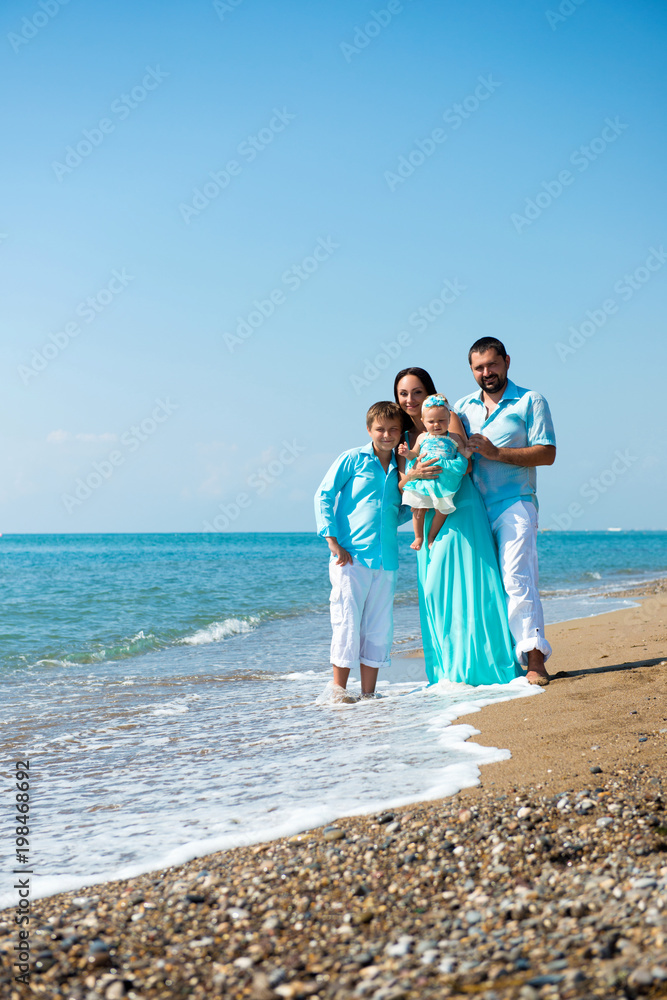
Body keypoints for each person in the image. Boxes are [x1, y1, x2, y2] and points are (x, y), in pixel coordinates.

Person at [394, 368, 520, 686]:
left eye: (417, 391)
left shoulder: (446, 417)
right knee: (436, 590)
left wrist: (433, 470)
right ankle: (447, 672)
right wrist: (414, 473)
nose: (410, 399)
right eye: (404, 394)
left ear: (429, 394)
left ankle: (478, 667)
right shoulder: (402, 436)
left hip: (459, 507)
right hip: (425, 511)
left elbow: (464, 465)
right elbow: (402, 484)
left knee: (469, 586)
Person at [455, 338, 556, 686]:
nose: (487, 373)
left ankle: (535, 660)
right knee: (488, 586)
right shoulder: (462, 407)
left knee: (518, 577)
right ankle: (500, 662)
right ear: (472, 370)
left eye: (492, 365)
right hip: (474, 509)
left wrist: (497, 453)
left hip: (516, 502)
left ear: (506, 362)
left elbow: (547, 453)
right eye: (479, 368)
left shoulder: (531, 400)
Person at [314, 401, 411, 702]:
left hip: (387, 559)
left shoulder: (403, 465)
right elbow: (323, 495)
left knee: (379, 627)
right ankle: (339, 692)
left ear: (401, 432)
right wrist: (332, 541)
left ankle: (368, 695)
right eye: (380, 429)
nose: (387, 434)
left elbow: (403, 510)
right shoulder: (352, 459)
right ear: (369, 429)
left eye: (393, 429)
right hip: (350, 557)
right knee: (346, 622)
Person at [398, 393, 470, 550]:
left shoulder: (454, 438)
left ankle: (432, 536)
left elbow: (464, 454)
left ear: (450, 420)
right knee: (418, 508)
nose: (436, 425)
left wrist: (469, 450)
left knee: (442, 510)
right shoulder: (422, 437)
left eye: (442, 421)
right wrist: (406, 453)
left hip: (443, 479)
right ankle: (418, 537)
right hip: (424, 479)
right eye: (431, 421)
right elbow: (414, 454)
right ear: (423, 422)